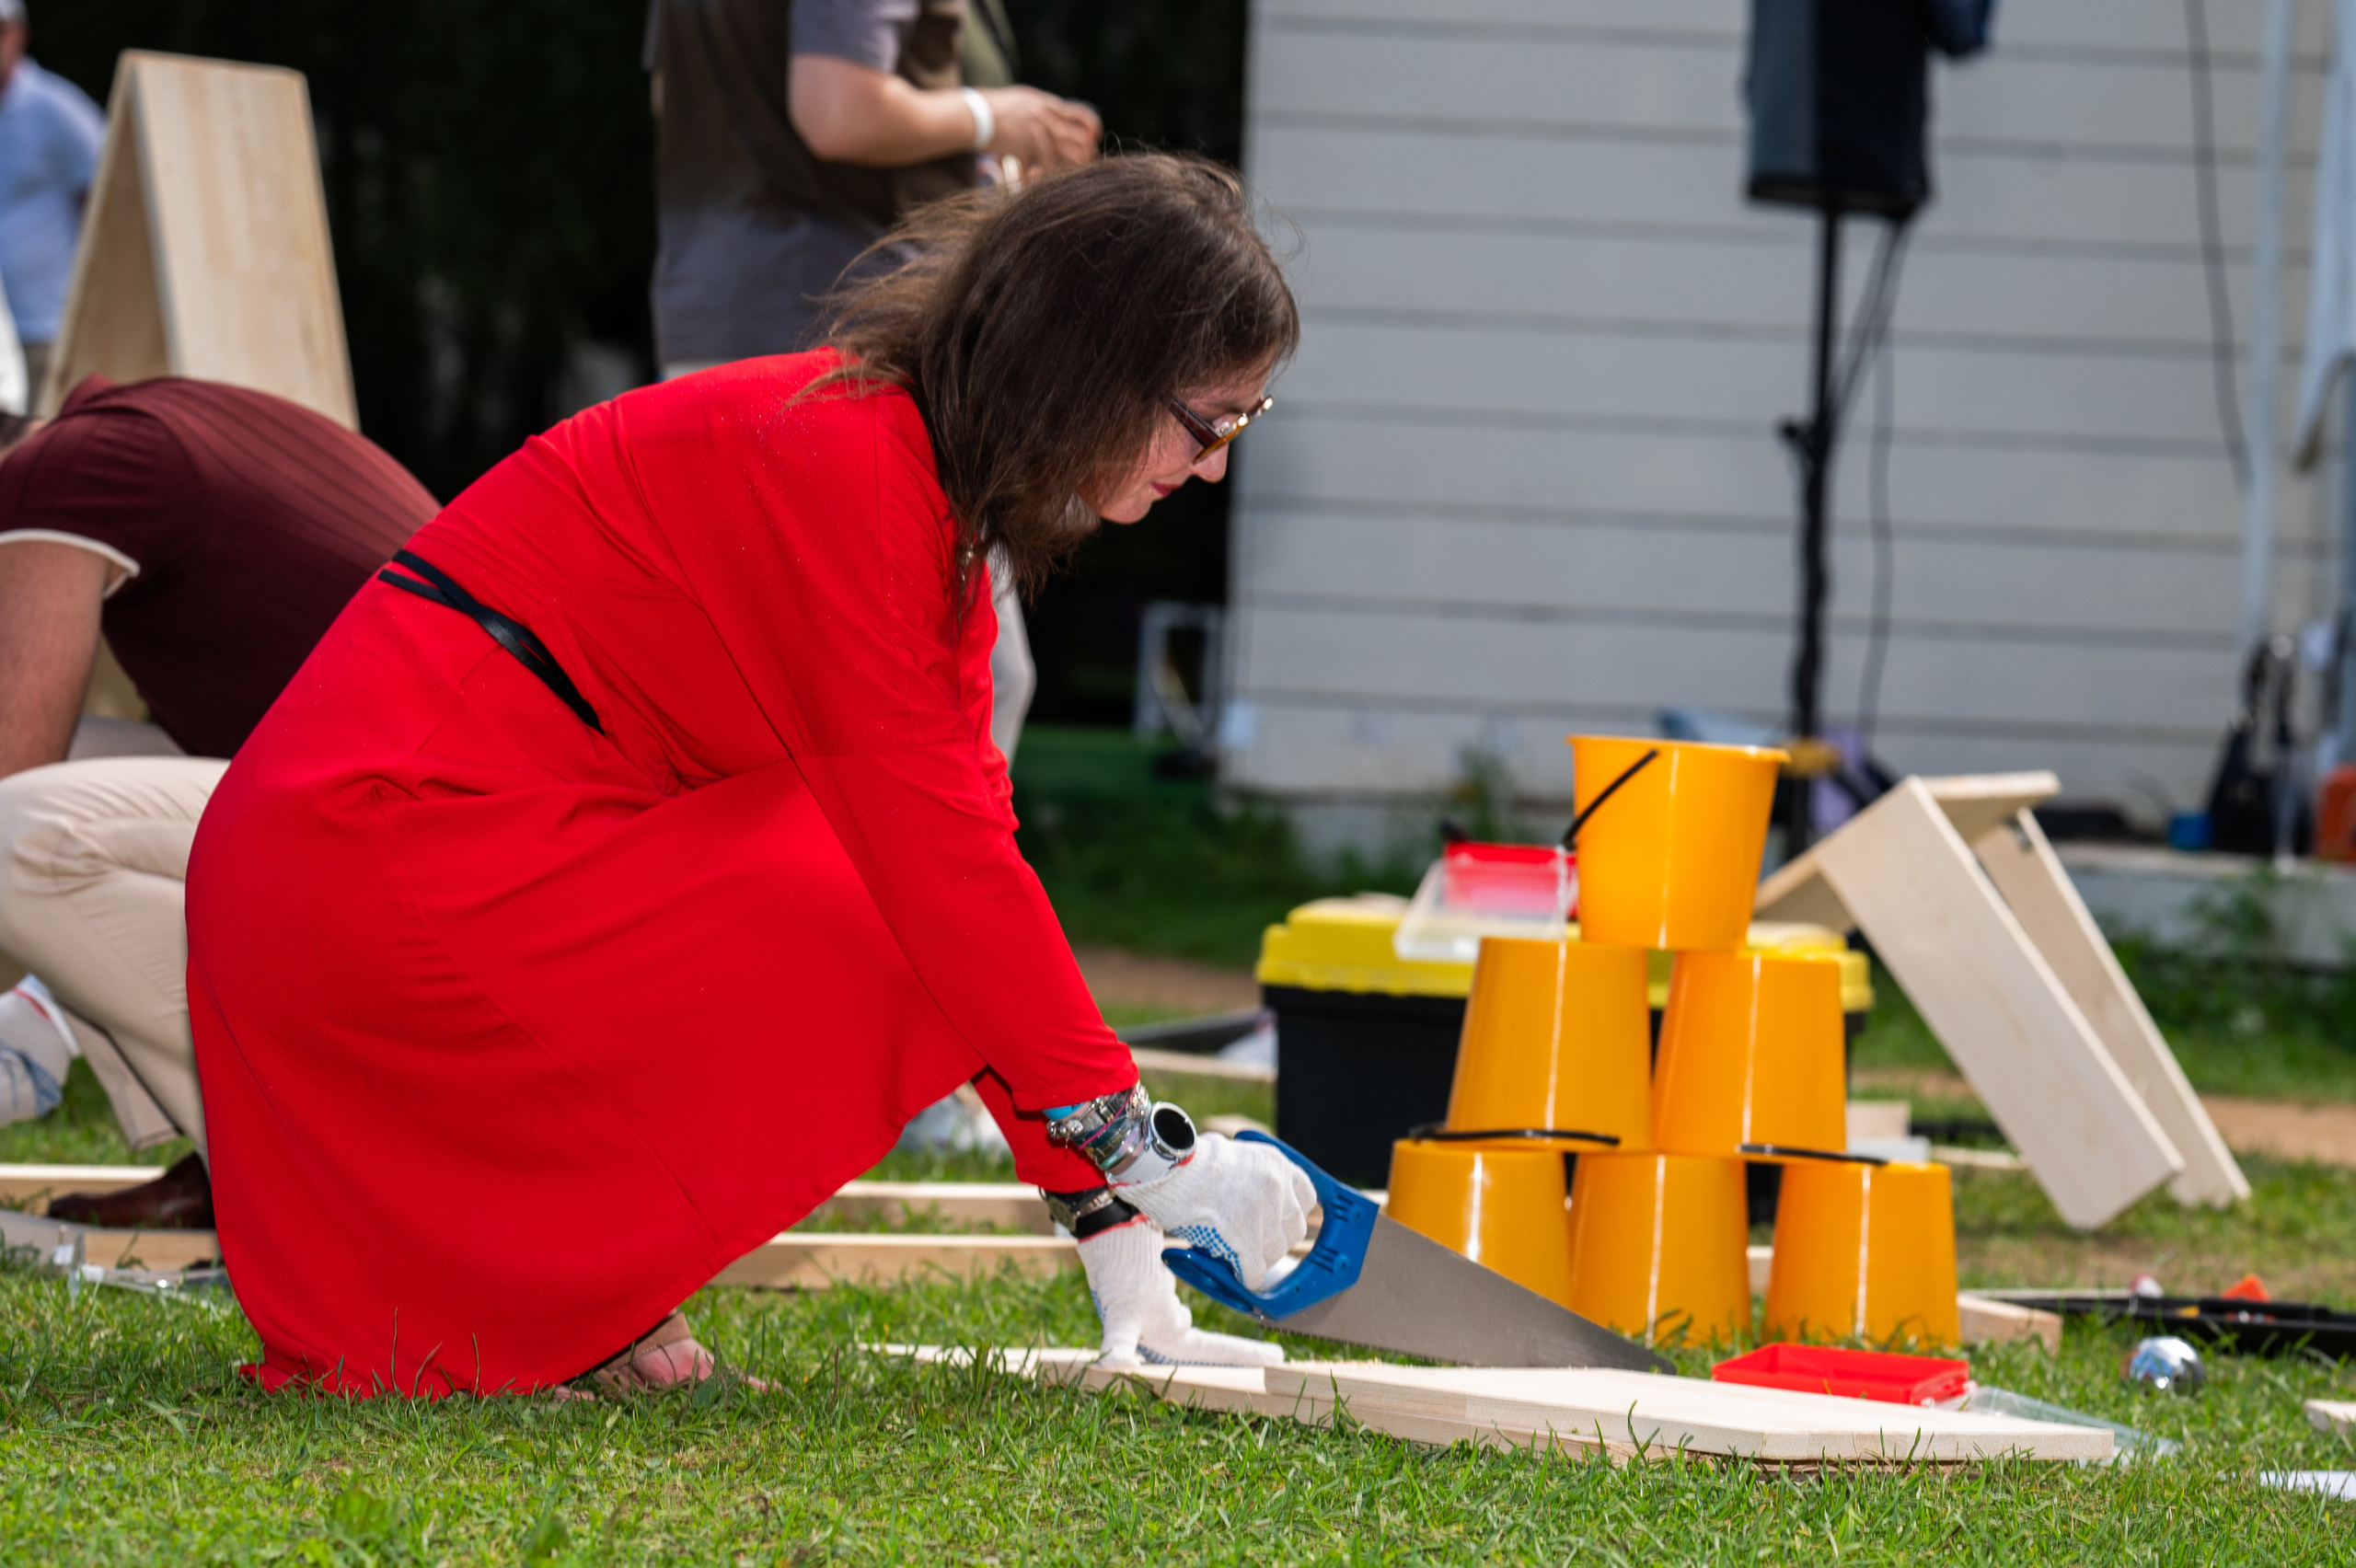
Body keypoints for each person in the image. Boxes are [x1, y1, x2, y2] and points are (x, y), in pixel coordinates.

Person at [188, 153, 1302, 1396]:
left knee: (906, 875)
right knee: (866, 883)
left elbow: (966, 835)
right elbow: (938, 875)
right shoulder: (855, 470)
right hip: (374, 860)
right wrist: (1148, 1151)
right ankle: (575, 1307)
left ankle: (588, 1311)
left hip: (401, 850)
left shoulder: (908, 486)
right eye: (1211, 424)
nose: (1213, 467)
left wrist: (1104, 1214)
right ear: (1093, 366)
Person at [0, 377, 440, 1228]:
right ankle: (221, 1162)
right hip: (427, 791)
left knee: (22, 828)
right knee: (67, 779)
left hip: (418, 826)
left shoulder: (52, 479)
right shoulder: (138, 424)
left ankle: (291, 1171)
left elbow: (14, 766)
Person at [646, 0, 1100, 377]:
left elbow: (671, 94)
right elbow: (836, 114)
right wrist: (991, 118)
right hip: (846, 326)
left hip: (705, 312)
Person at [0, 2, 102, 398]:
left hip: (47, 325)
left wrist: (95, 303)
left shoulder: (58, 109)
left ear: (20, 34)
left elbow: (108, 199)